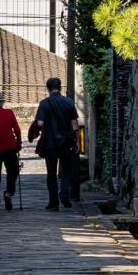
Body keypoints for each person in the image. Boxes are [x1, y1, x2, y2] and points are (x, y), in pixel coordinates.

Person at [27, 77, 80, 210]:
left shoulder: (44, 103)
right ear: (60, 87)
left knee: (51, 173)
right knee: (66, 170)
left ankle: (53, 203)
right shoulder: (69, 102)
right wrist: (78, 141)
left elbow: (40, 123)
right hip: (66, 142)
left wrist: (37, 128)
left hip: (50, 143)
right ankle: (64, 193)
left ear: (48, 88)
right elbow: (74, 123)